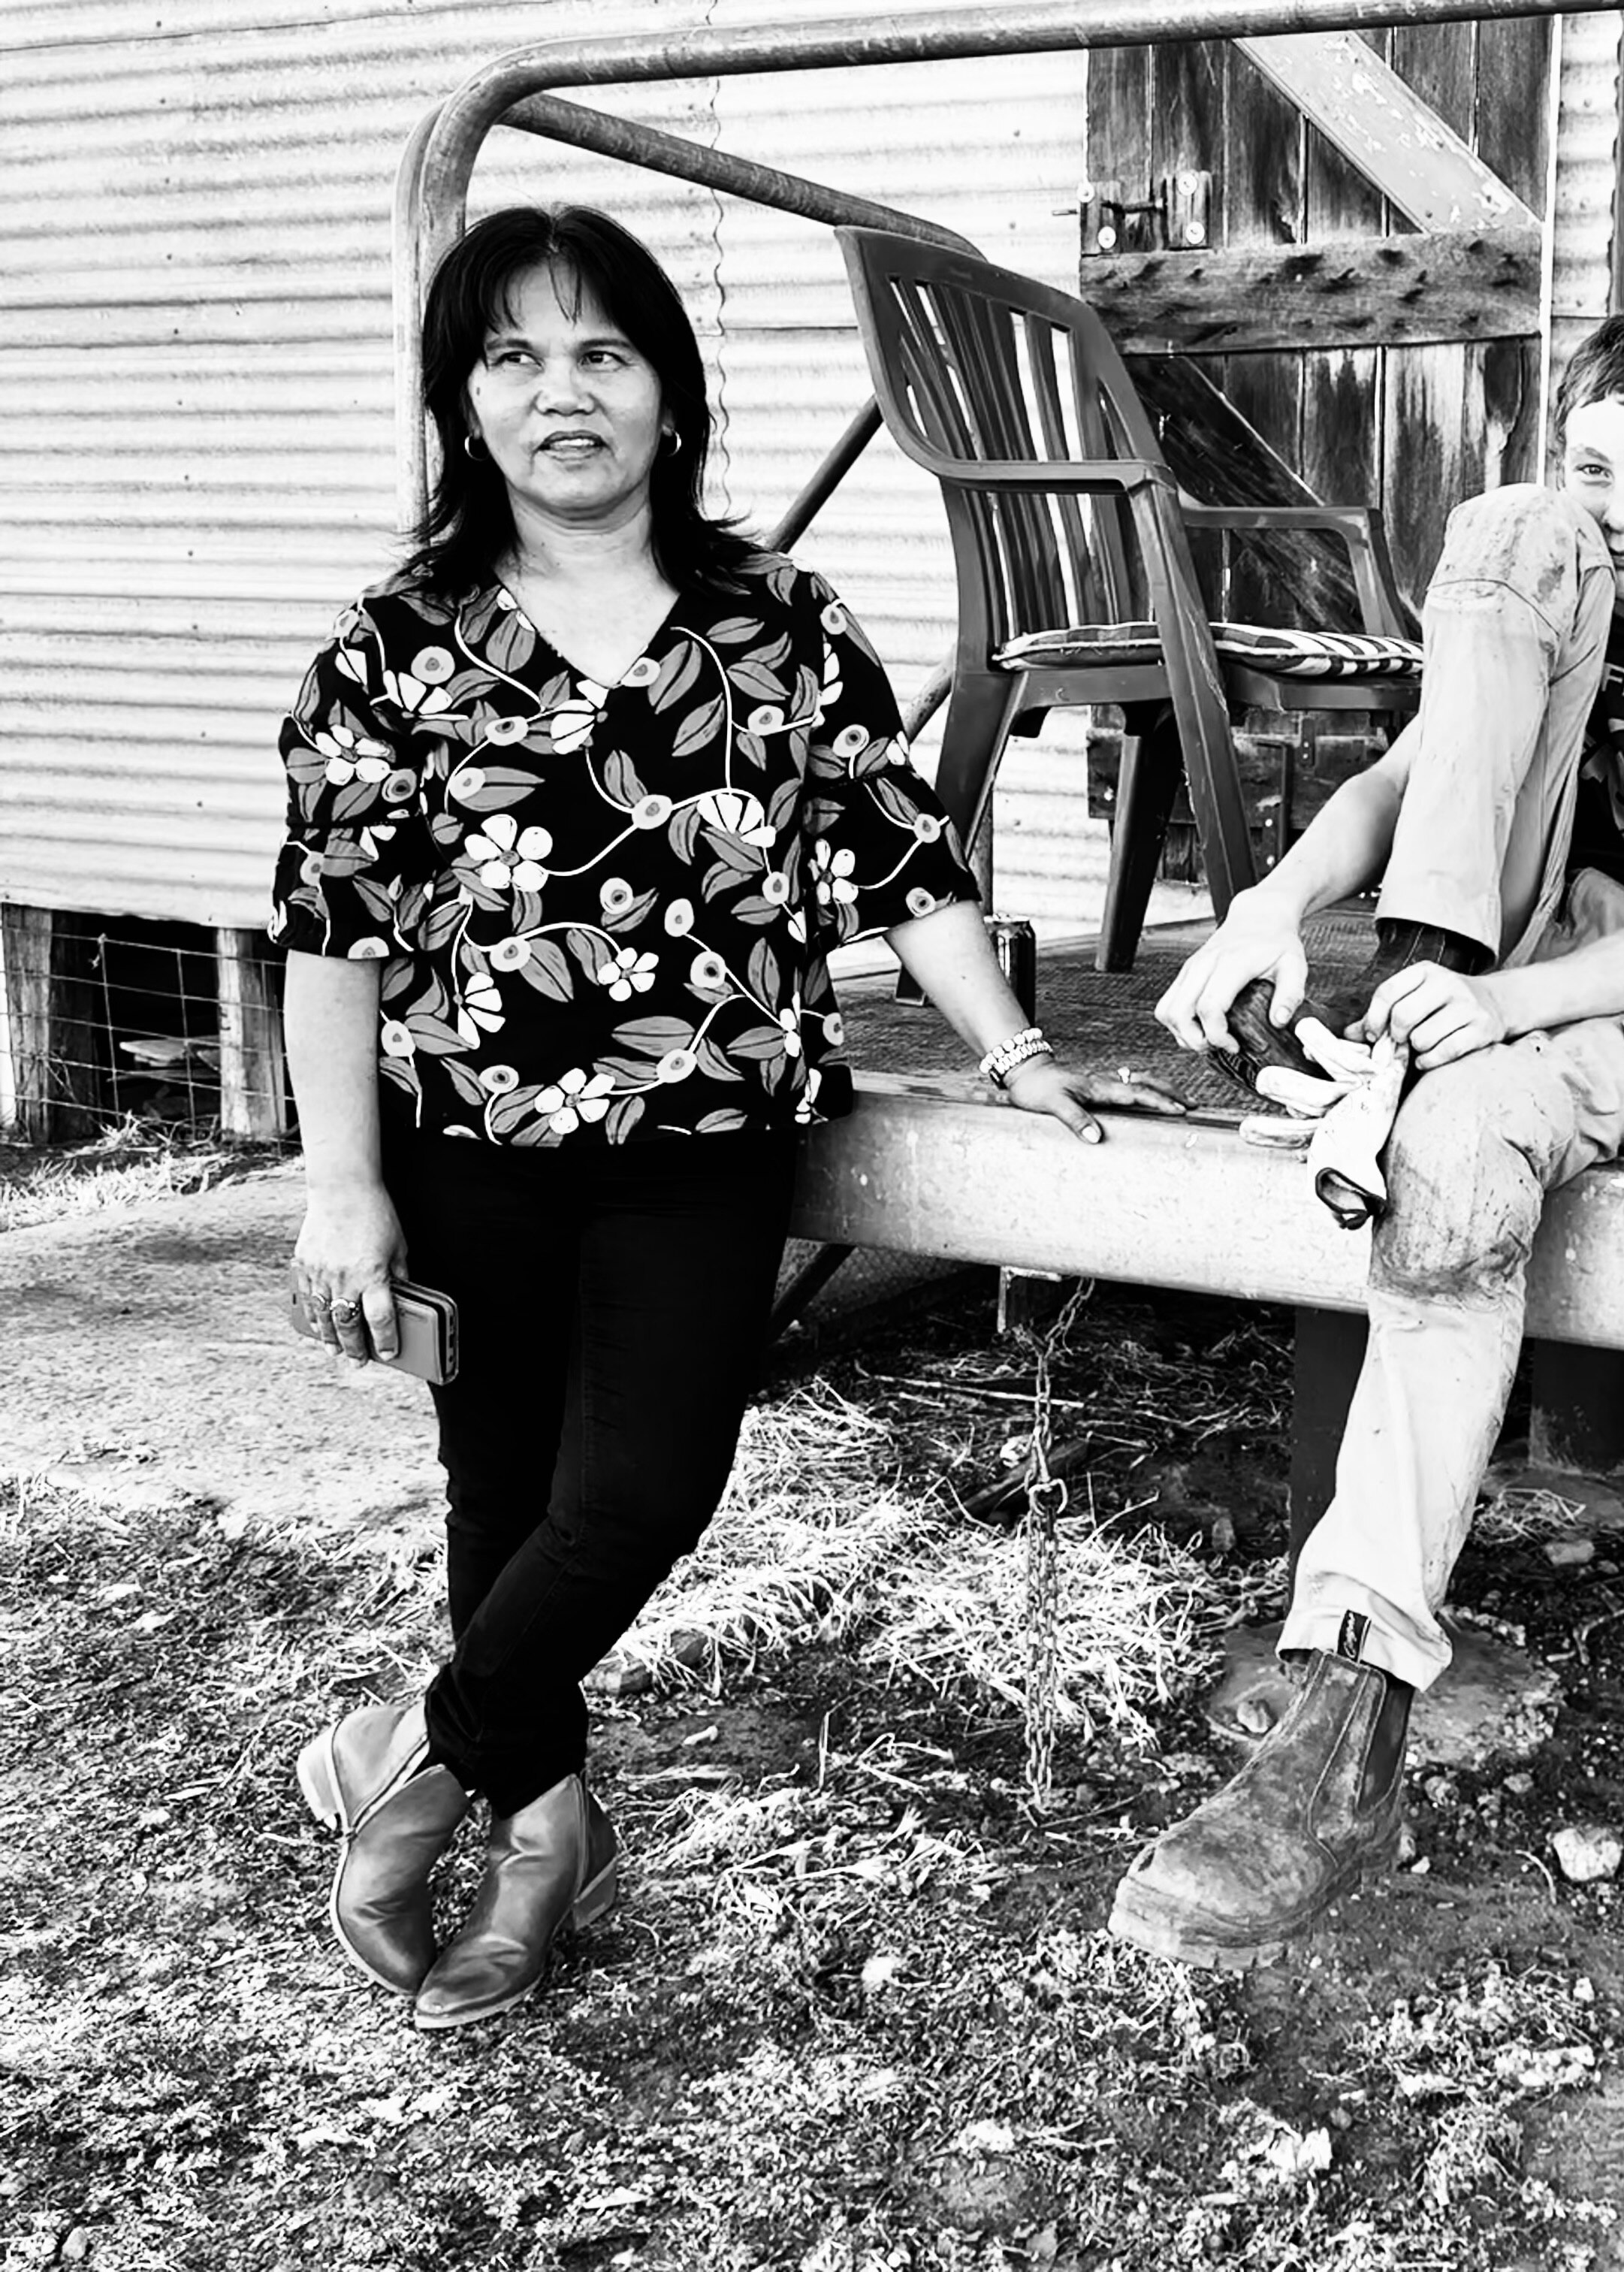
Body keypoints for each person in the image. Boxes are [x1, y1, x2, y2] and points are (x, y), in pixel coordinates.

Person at [272, 204, 1180, 2032]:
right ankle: (549, 1839)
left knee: (643, 1491)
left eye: (603, 354)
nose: (563, 393)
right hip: (466, 1142)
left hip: (705, 1141)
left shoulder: (779, 624)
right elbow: (333, 936)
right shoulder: (394, 642)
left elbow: (904, 860)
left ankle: (409, 1763)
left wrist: (1018, 1053)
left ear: (670, 397)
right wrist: (342, 1188)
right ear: (463, 402)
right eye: (514, 358)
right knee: (500, 1490)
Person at [1107, 305, 1624, 1970]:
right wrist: (1270, 908)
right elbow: (1397, 786)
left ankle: (1352, 1718)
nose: (1618, 510)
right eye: (1593, 468)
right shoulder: (1540, 591)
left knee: (1445, 1156)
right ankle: (1407, 1003)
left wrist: (1493, 1012)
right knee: (1500, 541)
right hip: (1485, 954)